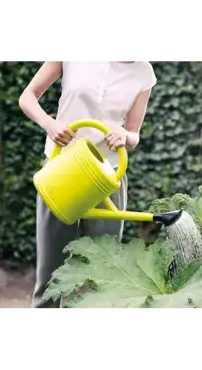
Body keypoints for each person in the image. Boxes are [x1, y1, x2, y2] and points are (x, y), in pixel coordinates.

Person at [18, 56, 157, 311]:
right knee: (50, 275)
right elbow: (27, 97)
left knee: (102, 274)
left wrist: (124, 135)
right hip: (62, 168)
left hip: (108, 175)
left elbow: (134, 134)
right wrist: (49, 124)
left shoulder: (144, 72)